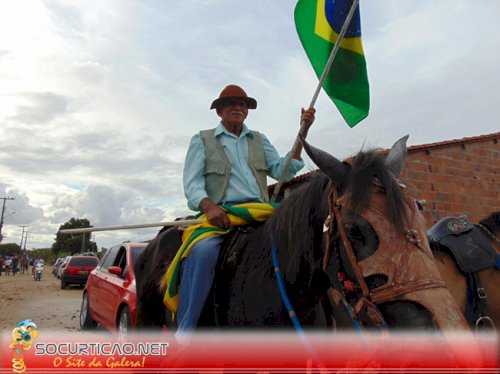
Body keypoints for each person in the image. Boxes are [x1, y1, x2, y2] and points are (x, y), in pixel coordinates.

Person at [178, 84, 316, 336]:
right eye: (231, 103)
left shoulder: (259, 140)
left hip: (261, 211)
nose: (238, 108)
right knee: (204, 252)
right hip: (222, 215)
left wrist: (302, 131)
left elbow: (282, 170)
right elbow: (192, 184)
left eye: (242, 104)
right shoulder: (202, 139)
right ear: (219, 111)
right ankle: (187, 329)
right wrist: (209, 207)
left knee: (306, 245)